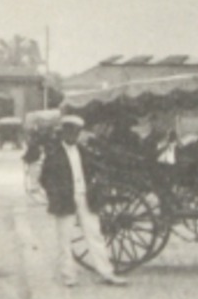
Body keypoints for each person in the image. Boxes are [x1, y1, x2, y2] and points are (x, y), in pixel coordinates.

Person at [24, 113, 127, 287]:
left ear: (78, 133)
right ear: (63, 132)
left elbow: (95, 168)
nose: (72, 136)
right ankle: (68, 276)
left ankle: (106, 272)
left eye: (75, 132)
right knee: (64, 239)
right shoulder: (53, 152)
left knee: (95, 235)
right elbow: (44, 176)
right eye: (69, 132)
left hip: (85, 198)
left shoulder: (82, 151)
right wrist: (53, 192)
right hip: (65, 199)